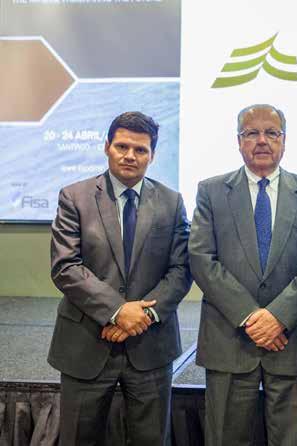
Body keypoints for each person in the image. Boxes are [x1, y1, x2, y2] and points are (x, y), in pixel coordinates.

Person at [189, 104, 297, 446]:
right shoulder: (211, 190)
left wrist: (278, 317)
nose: (262, 140)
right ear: (238, 141)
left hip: (290, 339)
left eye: (272, 133)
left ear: (284, 140)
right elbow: (201, 258)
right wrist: (252, 317)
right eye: (252, 133)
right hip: (229, 338)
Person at [48, 111, 193, 445]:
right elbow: (65, 266)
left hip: (150, 345)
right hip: (86, 343)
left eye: (140, 149)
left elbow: (181, 269)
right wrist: (118, 311)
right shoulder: (74, 197)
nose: (130, 155)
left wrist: (142, 315)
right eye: (122, 146)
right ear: (106, 147)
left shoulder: (171, 203)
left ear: (152, 155)